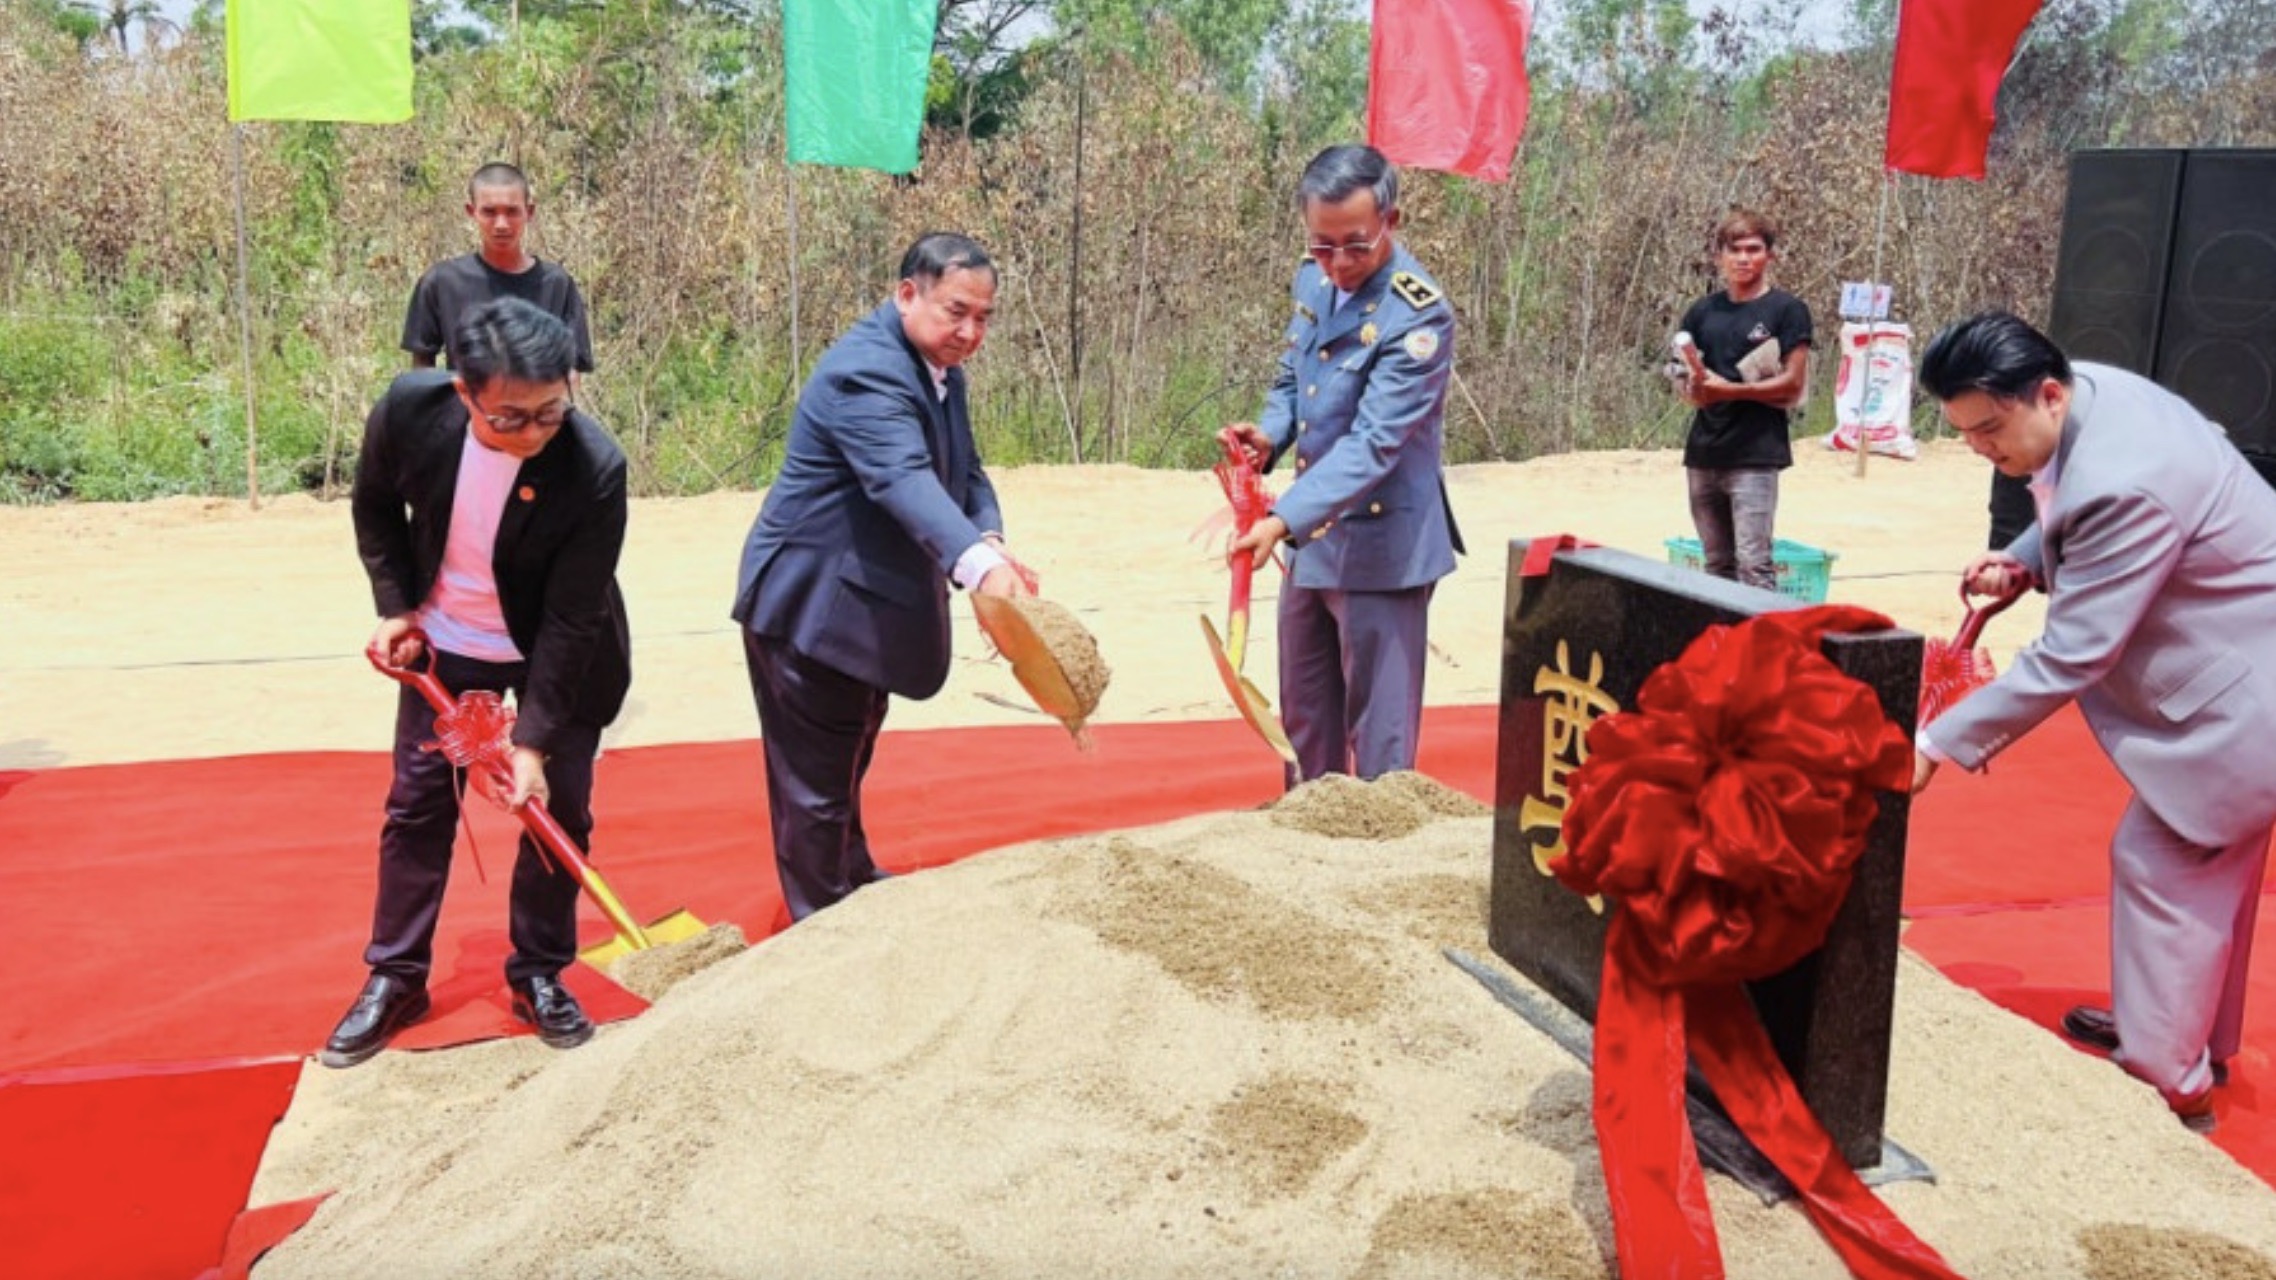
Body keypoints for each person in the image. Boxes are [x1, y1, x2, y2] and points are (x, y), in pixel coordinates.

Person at [1911, 310, 2276, 1132]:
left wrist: (1934, 743)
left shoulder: (2126, 480)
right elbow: (2071, 504)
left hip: (2243, 694)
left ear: (2046, 393)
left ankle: (2166, 1079)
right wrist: (2025, 560)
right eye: (1965, 433)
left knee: (2164, 859)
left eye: (1990, 429)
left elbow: (2073, 653)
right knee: (2214, 868)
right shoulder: (2095, 394)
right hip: (2246, 654)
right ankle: (2182, 1034)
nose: (1981, 449)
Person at [328, 297, 632, 1067]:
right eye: (510, 418)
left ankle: (540, 972)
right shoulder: (410, 411)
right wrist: (397, 607)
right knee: (418, 808)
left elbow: (572, 617)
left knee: (557, 811)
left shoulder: (593, 467)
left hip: (553, 652)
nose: (533, 434)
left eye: (551, 411)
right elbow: (374, 505)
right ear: (464, 392)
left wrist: (532, 744)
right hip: (447, 645)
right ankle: (396, 975)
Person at [730, 233, 1032, 922]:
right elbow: (902, 478)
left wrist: (989, 537)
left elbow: (966, 471)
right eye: (957, 312)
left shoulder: (939, 367)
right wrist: (981, 570)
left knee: (850, 748)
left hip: (865, 604)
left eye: (983, 318)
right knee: (814, 781)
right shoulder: (865, 373)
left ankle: (853, 874)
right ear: (906, 295)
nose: (970, 332)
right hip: (811, 603)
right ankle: (821, 923)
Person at [1222, 144, 1463, 785]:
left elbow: (1374, 442)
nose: (1338, 263)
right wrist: (1269, 435)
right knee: (1304, 725)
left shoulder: (1419, 316)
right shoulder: (1315, 280)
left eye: (1356, 245)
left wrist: (1282, 521)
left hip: (1382, 547)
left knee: (1380, 746)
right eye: (1321, 245)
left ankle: (1384, 845)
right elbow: (1293, 376)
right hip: (1313, 541)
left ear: (1392, 221)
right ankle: (1306, 836)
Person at [1670, 207, 1813, 590]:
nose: (1743, 258)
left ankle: (1761, 632)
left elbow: (1793, 385)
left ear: (1770, 255)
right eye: (1734, 250)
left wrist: (1729, 390)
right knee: (1716, 565)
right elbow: (1684, 381)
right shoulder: (1701, 312)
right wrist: (1694, 390)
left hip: (1755, 455)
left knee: (1754, 567)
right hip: (1704, 453)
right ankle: (1722, 630)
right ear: (1719, 256)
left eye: (1753, 249)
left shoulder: (1787, 311)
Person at [402, 162, 595, 377]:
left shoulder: (556, 284)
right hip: (465, 399)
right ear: (471, 212)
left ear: (529, 212)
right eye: (489, 212)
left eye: (512, 212)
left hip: (538, 399)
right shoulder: (442, 282)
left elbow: (571, 371)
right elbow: (421, 368)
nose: (501, 224)